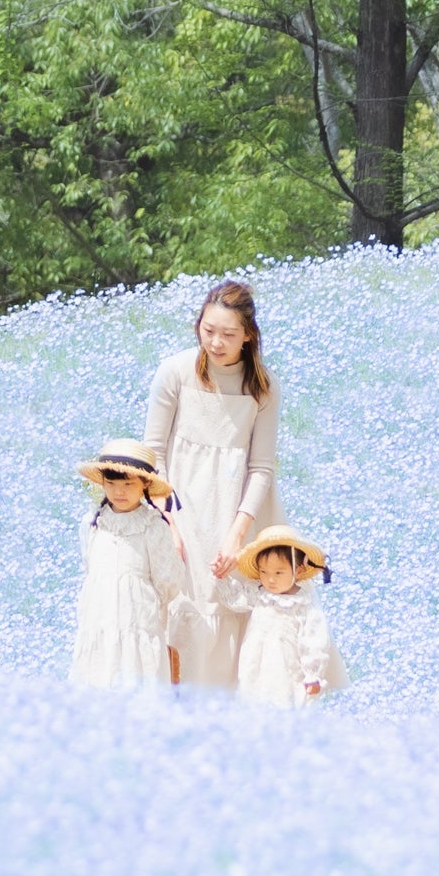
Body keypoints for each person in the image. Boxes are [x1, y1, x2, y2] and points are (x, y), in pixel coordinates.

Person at [142, 279, 280, 690]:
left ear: (249, 335)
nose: (216, 342)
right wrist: (169, 523)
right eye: (208, 330)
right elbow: (154, 452)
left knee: (229, 611)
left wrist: (238, 535)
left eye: (228, 334)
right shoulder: (175, 372)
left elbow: (261, 467)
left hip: (233, 510)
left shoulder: (264, 387)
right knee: (178, 610)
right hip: (179, 507)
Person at [68, 442, 187, 691]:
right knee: (99, 675)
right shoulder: (93, 522)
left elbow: (169, 581)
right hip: (99, 618)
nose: (118, 491)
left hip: (136, 621)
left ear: (144, 484)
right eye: (111, 484)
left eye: (128, 484)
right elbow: (90, 565)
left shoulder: (152, 526)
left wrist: (138, 596)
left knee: (134, 677)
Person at [230, 526, 346, 707]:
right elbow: (236, 599)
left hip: (286, 667)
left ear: (298, 570)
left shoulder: (303, 604)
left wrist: (313, 674)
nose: (270, 579)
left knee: (284, 701)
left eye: (278, 572)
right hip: (255, 662)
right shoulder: (260, 594)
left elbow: (314, 639)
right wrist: (220, 578)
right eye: (264, 572)